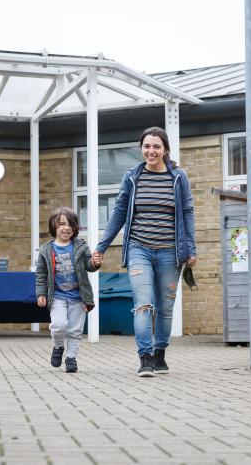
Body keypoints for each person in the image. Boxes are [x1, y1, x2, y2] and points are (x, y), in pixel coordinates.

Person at [93, 126, 197, 377]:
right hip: (139, 249)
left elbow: (187, 212)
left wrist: (190, 248)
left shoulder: (178, 177)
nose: (151, 151)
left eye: (156, 146)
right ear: (142, 148)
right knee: (143, 305)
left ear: (165, 149)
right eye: (147, 146)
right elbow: (119, 213)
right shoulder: (132, 176)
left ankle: (160, 352)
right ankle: (145, 357)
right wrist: (101, 246)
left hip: (170, 252)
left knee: (165, 307)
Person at [36, 207, 102, 373]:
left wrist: (95, 263)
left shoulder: (80, 246)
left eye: (70, 225)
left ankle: (71, 358)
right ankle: (58, 346)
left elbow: (89, 266)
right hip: (57, 296)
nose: (66, 228)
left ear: (75, 228)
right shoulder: (46, 250)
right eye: (62, 224)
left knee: (75, 330)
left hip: (78, 297)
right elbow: (41, 275)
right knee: (58, 325)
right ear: (54, 226)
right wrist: (41, 293)